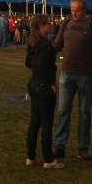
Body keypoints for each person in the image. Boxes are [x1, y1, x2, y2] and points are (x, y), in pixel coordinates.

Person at [51, 0, 92, 162]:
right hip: (66, 73)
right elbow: (57, 44)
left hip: (85, 75)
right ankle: (59, 145)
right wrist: (42, 50)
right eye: (72, 10)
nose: (73, 13)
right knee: (62, 110)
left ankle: (83, 147)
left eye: (77, 10)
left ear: (84, 10)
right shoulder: (66, 24)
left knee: (84, 112)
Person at [25, 14, 63, 169]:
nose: (51, 24)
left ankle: (30, 156)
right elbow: (42, 66)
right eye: (48, 23)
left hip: (33, 83)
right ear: (41, 26)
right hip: (43, 85)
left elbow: (28, 62)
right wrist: (52, 84)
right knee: (46, 123)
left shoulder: (33, 42)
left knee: (35, 122)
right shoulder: (46, 44)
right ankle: (48, 159)